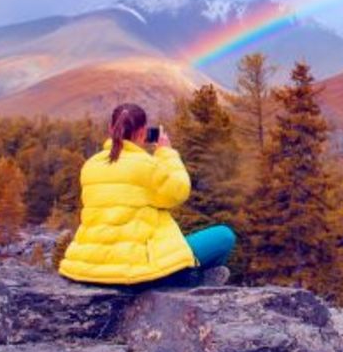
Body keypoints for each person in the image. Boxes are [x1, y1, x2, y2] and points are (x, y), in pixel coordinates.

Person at [58, 103, 236, 285]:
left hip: (90, 270)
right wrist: (166, 153)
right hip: (139, 273)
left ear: (111, 129)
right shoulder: (148, 165)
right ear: (143, 132)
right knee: (224, 236)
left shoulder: (90, 166)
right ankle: (194, 284)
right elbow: (179, 191)